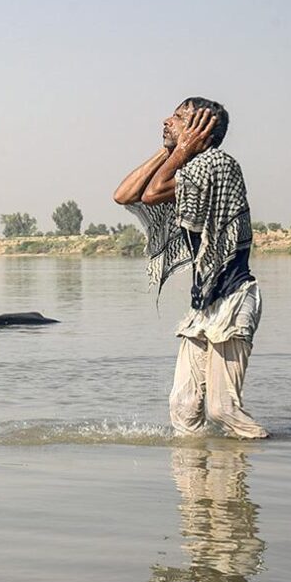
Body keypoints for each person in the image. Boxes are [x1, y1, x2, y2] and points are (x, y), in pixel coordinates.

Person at [113, 97, 268, 439]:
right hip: (204, 304)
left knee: (223, 409)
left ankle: (265, 454)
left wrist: (181, 149)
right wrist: (170, 149)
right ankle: (193, 474)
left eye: (179, 117)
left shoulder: (216, 164)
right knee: (183, 407)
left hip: (233, 297)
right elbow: (124, 195)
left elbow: (153, 193)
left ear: (201, 130)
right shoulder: (188, 165)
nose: (166, 120)